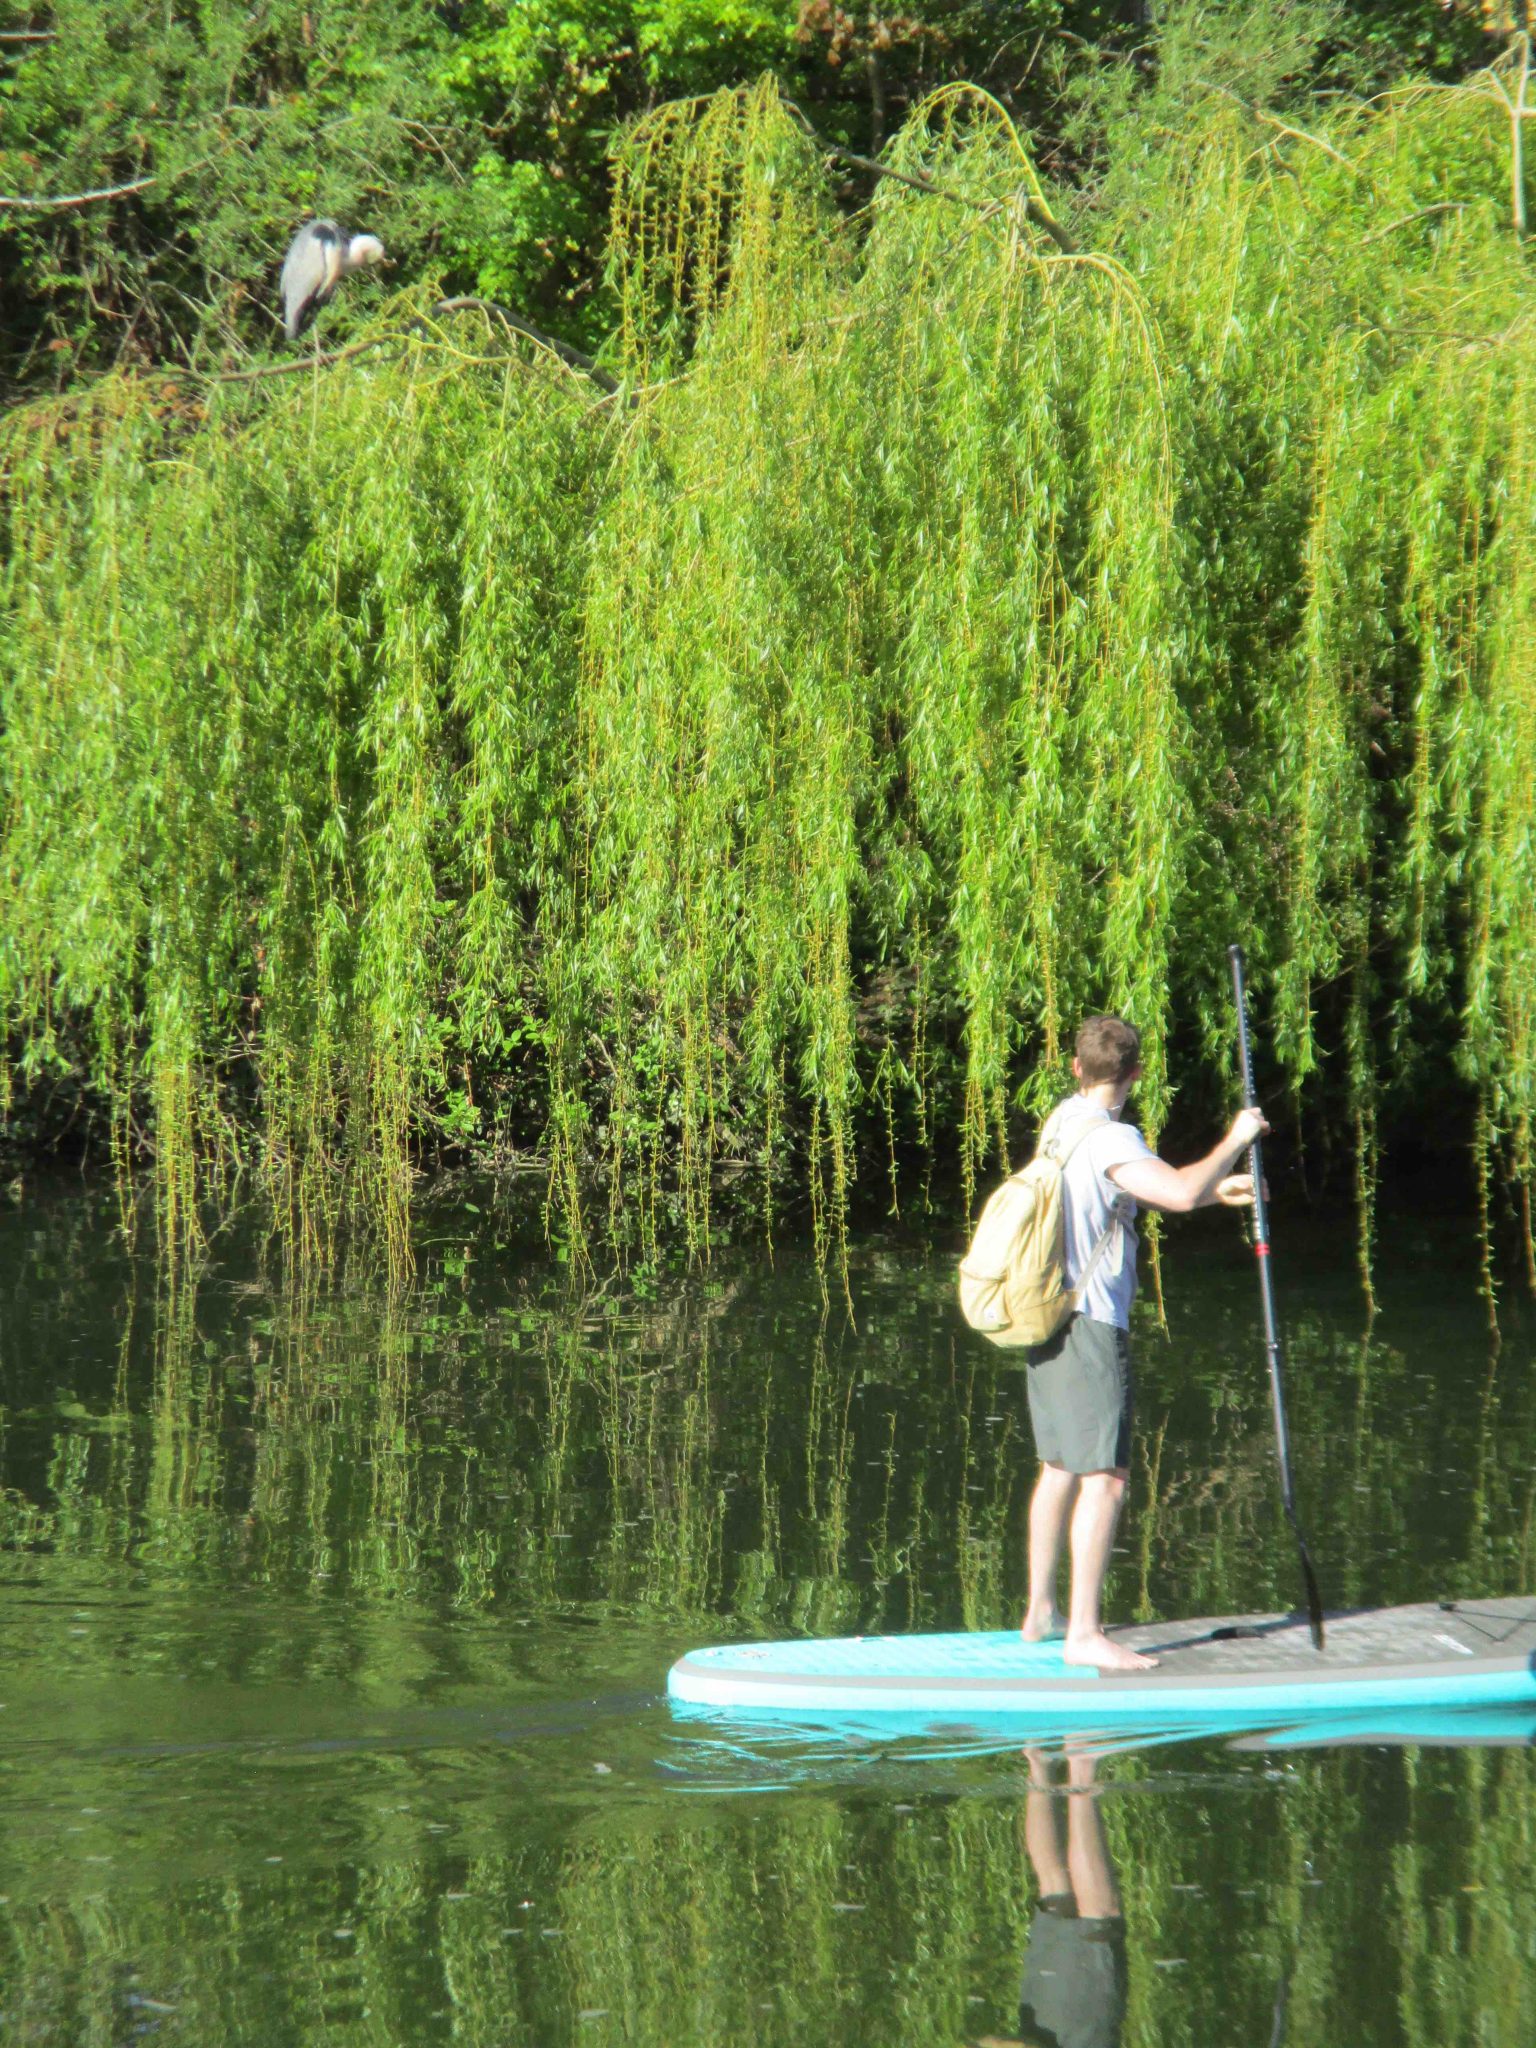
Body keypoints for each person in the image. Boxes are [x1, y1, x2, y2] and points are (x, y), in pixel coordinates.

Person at [1019, 1014, 1268, 1673]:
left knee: (1058, 1468)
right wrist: (1237, 1139)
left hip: (1048, 1313)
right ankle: (1083, 1635)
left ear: (1077, 1068)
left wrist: (1216, 1192)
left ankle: (1041, 1613)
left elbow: (1134, 1191)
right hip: (1091, 1322)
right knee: (1105, 1478)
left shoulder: (1062, 1123)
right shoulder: (1113, 1136)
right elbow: (1177, 1193)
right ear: (1136, 1073)